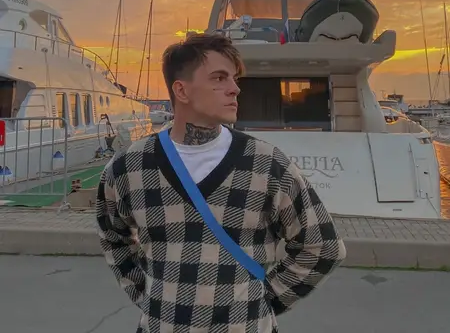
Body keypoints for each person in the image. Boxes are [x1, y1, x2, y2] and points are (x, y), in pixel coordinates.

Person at [96, 33, 346, 332]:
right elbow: (113, 237)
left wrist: (262, 303)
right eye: (219, 78)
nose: (235, 89)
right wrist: (151, 297)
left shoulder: (266, 164)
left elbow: (323, 246)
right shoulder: (129, 166)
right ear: (181, 90)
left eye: (234, 79)